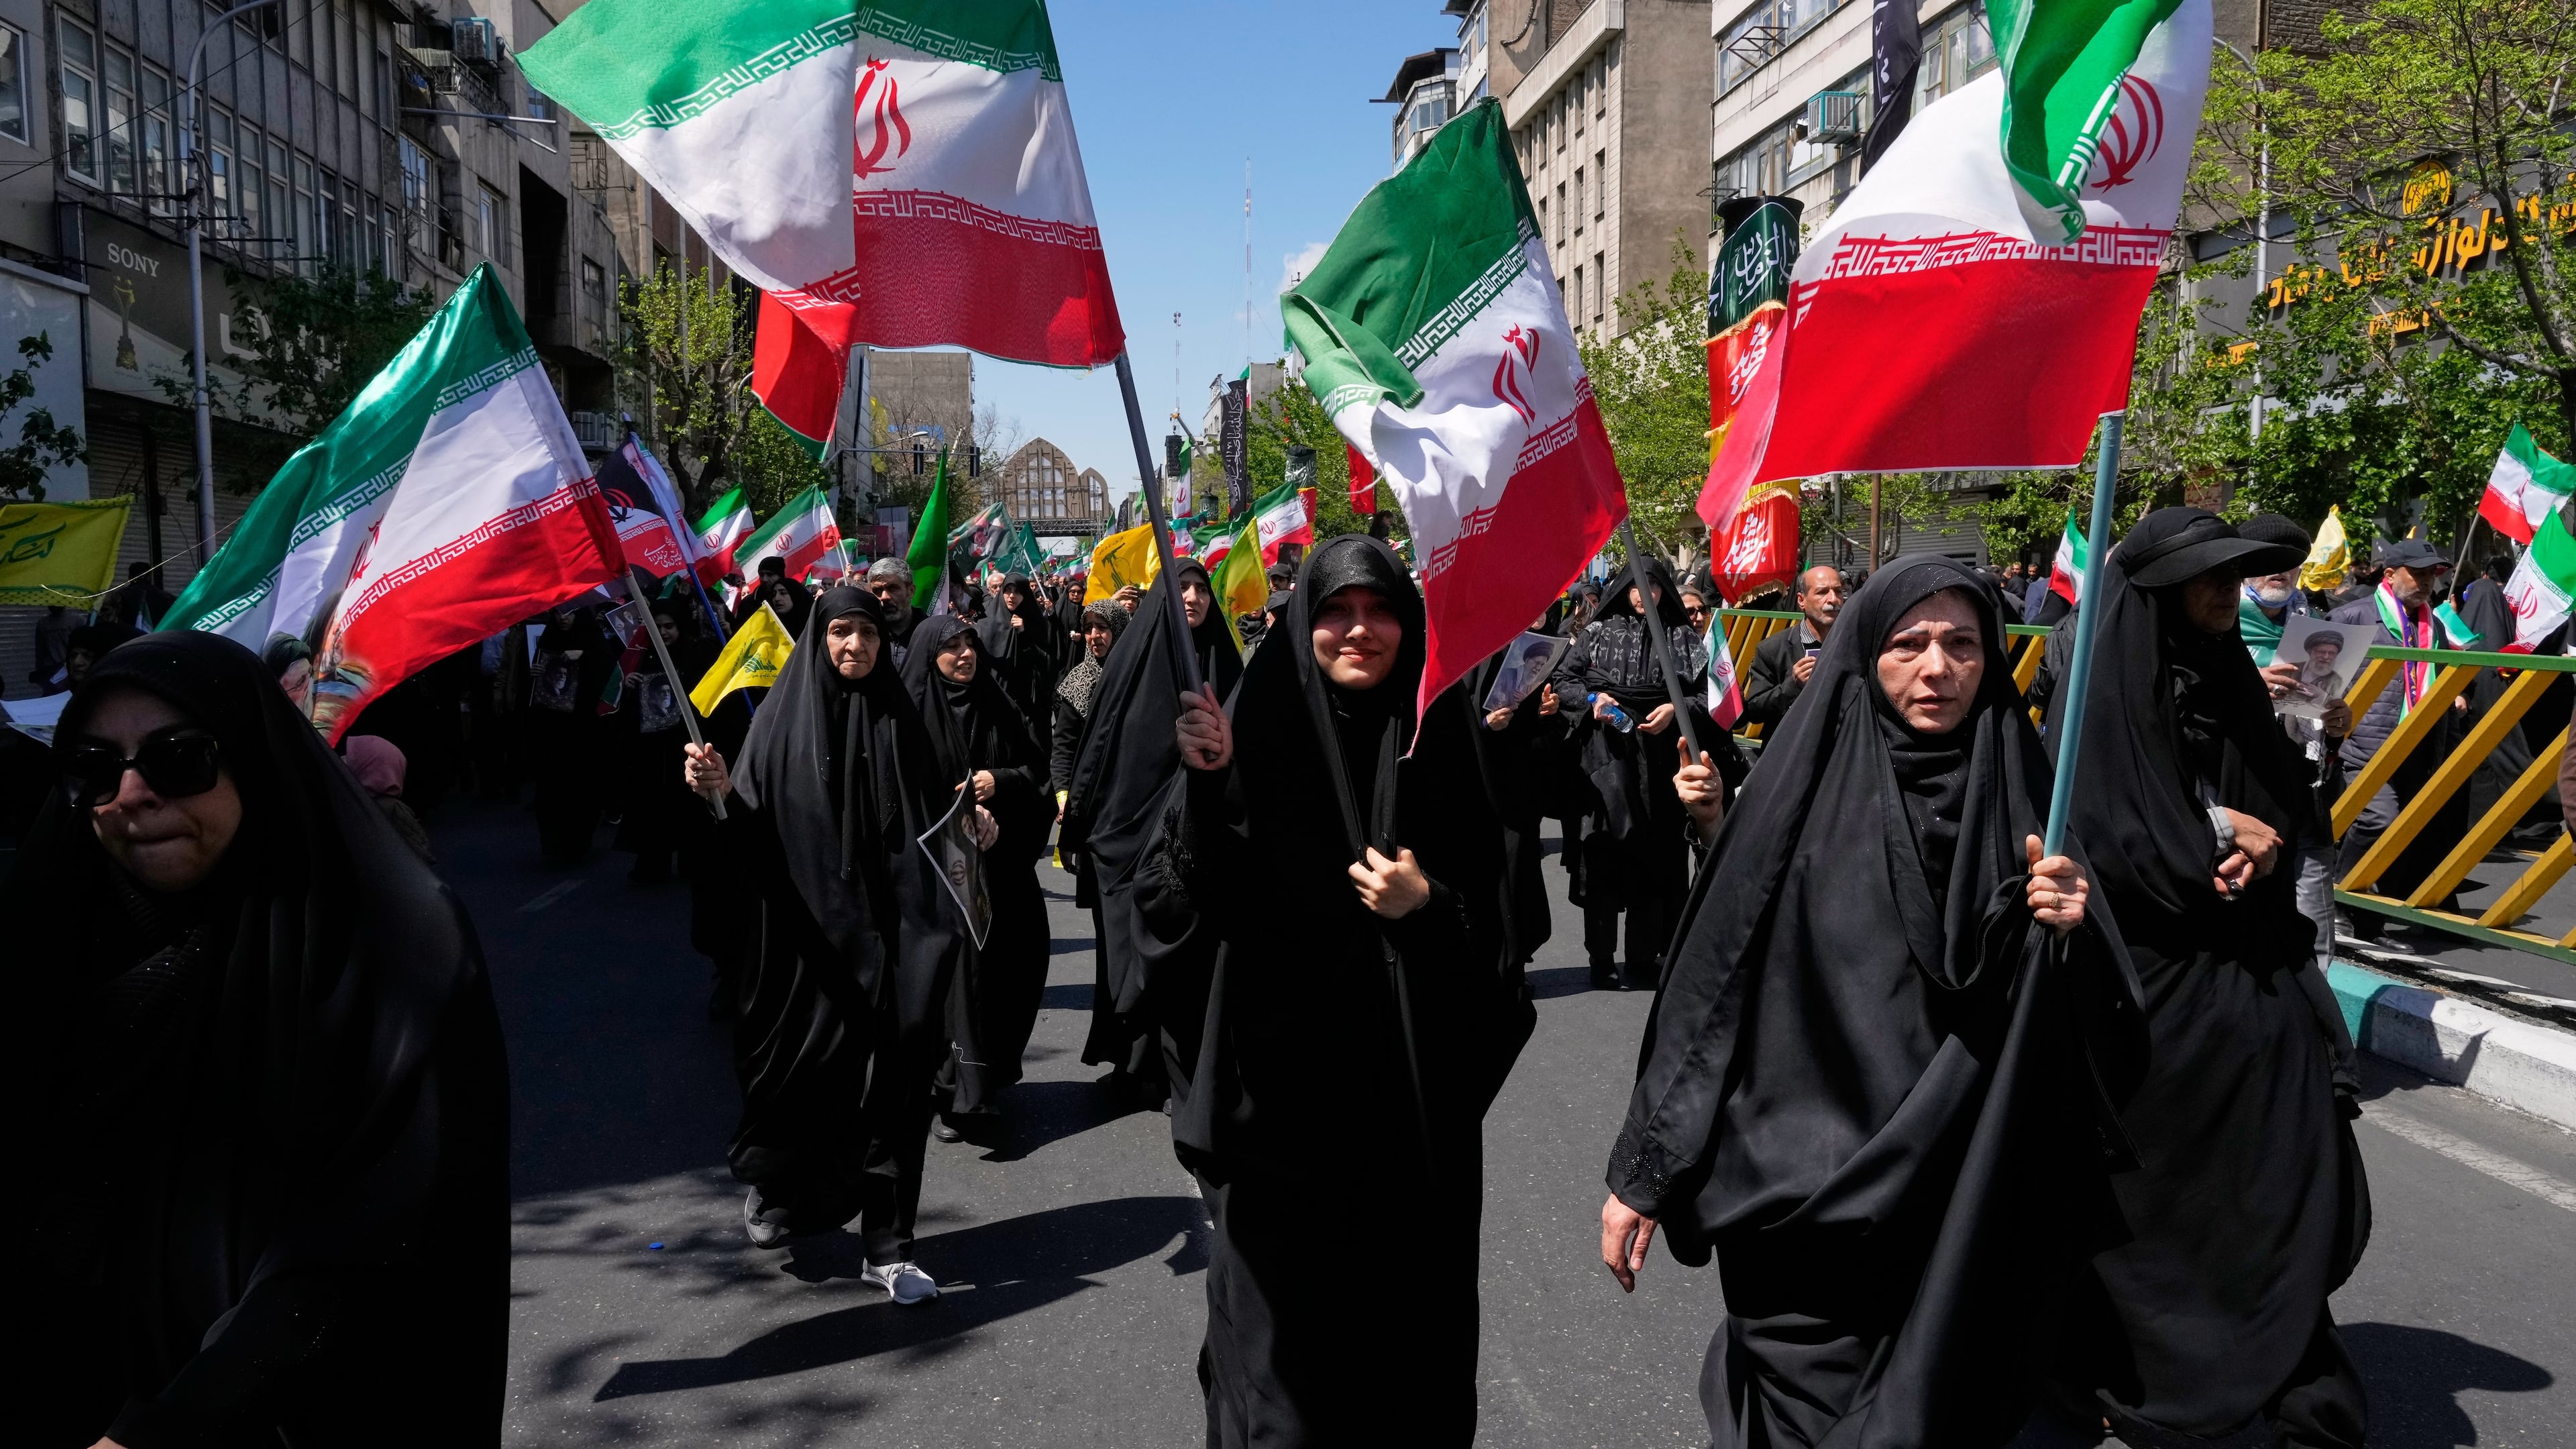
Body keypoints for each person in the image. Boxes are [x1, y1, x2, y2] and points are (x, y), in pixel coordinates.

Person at [1601, 554, 2132, 1449]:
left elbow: (2106, 1029)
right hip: (1803, 1204)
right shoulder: (1793, 802)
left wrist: (2070, 931)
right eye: (1909, 644)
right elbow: (1710, 992)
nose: (1938, 669)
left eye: (1964, 645)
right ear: (1863, 655)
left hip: (1963, 1205)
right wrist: (1644, 1175)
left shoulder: (2029, 801)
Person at [14, 631, 508, 1446]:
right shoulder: (52, 938)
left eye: (180, 758)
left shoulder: (390, 943)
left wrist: (173, 1426)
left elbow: (370, 1242)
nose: (131, 793)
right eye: (96, 767)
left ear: (254, 758)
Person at [1150, 534, 1536, 1446]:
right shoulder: (1249, 734)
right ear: (1300, 624)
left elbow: (1505, 940)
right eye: (1336, 612)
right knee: (1279, 1373)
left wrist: (1428, 905)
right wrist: (1209, 792)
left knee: (1404, 1367)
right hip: (1276, 1114)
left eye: (1381, 611)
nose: (1359, 630)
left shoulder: (1444, 742)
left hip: (1411, 1123)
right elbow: (1178, 920)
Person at [2043, 508, 2369, 1448]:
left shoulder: (2227, 675)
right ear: (2154, 592)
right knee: (2164, 1212)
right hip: (2150, 995)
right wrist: (2215, 835)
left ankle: (2278, 1370)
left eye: (2235, 577)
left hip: (2251, 980)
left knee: (2276, 1182)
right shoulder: (2105, 682)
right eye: (2208, 578)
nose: (2226, 594)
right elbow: (2104, 823)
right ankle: (2151, 1366)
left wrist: (2315, 737)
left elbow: (2288, 808)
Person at [680, 588, 991, 1303]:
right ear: (820, 638)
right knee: (799, 1089)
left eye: (870, 634)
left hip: (898, 940)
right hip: (805, 949)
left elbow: (943, 814)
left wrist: (978, 831)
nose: (856, 647)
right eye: (842, 633)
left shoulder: (905, 719)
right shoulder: (780, 729)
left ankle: (887, 1245)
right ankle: (775, 1186)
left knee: (898, 1093)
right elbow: (746, 836)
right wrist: (717, 791)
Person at [902, 614, 1053, 1140]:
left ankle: (986, 1077)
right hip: (937, 877)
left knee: (1010, 968)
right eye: (951, 647)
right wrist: (956, 808)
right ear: (928, 655)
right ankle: (950, 1092)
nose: (965, 655)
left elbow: (1036, 772)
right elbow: (898, 796)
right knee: (950, 983)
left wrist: (1000, 781)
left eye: (970, 645)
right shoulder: (907, 716)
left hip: (999, 868)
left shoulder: (997, 705)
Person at [1552, 557, 1715, 990]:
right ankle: (1601, 958)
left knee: (1657, 858)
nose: (1647, 595)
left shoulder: (1683, 638)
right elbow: (1564, 681)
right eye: (1639, 587)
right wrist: (1593, 701)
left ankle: (1644, 956)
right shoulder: (1595, 634)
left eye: (1656, 587)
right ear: (1626, 590)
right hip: (1605, 758)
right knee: (1601, 854)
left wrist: (1678, 711)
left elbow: (1710, 698)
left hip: (1662, 763)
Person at [2330, 537, 2469, 929]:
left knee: (2404, 833)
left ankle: (2372, 920)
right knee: (2380, 820)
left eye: (2431, 576)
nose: (2427, 583)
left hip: (2418, 744)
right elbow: (2318, 681)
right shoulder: (2353, 617)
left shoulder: (2434, 625)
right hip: (2365, 745)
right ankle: (2338, 891)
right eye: (2418, 573)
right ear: (2389, 575)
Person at [1471, 631, 1568, 967]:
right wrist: (1484, 726)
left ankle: (1514, 960)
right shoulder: (1468, 654)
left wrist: (1548, 710)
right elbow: (1445, 722)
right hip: (1477, 788)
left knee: (1518, 876)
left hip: (1521, 787)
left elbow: (1548, 726)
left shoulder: (1523, 654)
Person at [1741, 565, 1847, 729]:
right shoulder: (1772, 649)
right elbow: (1755, 711)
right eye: (1822, 592)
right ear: (1801, 601)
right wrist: (1793, 686)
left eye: (1838, 591)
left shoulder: (1855, 643)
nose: (1833, 599)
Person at [976, 570, 1058, 721]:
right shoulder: (986, 622)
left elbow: (1047, 661)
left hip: (1029, 702)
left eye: (1017, 592)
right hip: (998, 699)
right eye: (1008, 590)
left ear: (1025, 594)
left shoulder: (1035, 621)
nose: (1012, 596)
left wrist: (1024, 633)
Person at [863, 555, 922, 656]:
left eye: (893, 588)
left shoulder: (932, 635)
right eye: (877, 591)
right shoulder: (864, 636)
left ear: (911, 591)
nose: (885, 597)